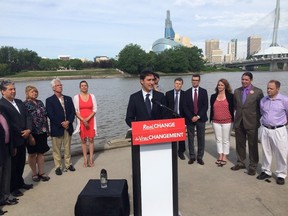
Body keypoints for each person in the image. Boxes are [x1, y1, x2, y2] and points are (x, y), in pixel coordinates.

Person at [125, 70, 168, 215]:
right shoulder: (134, 97)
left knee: (158, 170)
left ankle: (159, 196)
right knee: (143, 172)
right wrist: (140, 128)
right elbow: (129, 118)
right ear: (141, 81)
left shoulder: (160, 97)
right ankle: (145, 197)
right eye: (149, 80)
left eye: (153, 80)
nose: (152, 82)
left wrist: (158, 129)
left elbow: (166, 117)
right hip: (141, 141)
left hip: (159, 142)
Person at [0, 80, 33, 198]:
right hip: (13, 140)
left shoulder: (19, 102)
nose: (13, 91)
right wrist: (20, 132)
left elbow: (28, 116)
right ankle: (13, 188)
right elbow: (8, 124)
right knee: (12, 166)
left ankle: (20, 182)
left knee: (21, 164)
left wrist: (29, 130)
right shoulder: (2, 105)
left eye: (14, 89)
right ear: (3, 91)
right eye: (10, 89)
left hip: (24, 137)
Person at [231, 71, 264, 176]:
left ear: (251, 80)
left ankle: (253, 166)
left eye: (246, 79)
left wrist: (257, 120)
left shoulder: (258, 92)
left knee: (252, 145)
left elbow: (261, 108)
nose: (244, 81)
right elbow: (235, 106)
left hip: (252, 122)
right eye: (242, 79)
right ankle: (241, 162)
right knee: (239, 144)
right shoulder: (237, 91)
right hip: (239, 121)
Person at [256, 80, 288, 185]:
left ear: (277, 89)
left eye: (271, 88)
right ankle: (266, 171)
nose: (268, 90)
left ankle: (281, 174)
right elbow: (262, 113)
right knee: (266, 152)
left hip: (278, 130)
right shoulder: (263, 100)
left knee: (281, 153)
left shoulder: (284, 100)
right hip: (265, 129)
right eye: (268, 88)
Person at [46, 78, 76, 176]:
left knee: (67, 147)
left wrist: (68, 122)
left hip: (68, 127)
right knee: (57, 149)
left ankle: (68, 164)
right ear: (53, 87)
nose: (61, 86)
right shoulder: (49, 100)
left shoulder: (68, 98)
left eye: (61, 85)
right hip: (57, 128)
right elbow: (50, 114)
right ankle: (58, 166)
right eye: (58, 85)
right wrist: (61, 123)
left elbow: (72, 112)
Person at [24, 86, 50, 182]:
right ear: (27, 93)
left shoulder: (40, 102)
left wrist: (47, 131)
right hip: (32, 133)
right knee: (32, 154)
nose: (34, 93)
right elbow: (25, 120)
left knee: (41, 152)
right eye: (32, 92)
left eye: (35, 92)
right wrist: (29, 135)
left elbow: (45, 117)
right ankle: (34, 173)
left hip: (42, 131)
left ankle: (41, 172)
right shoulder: (25, 104)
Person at [183, 74, 208, 165]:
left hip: (201, 119)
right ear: (191, 80)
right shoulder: (187, 92)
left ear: (199, 81)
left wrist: (198, 116)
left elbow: (205, 106)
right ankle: (192, 156)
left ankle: (200, 157)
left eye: (196, 80)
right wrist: (191, 117)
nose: (194, 81)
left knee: (201, 138)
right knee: (190, 138)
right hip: (190, 119)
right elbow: (185, 106)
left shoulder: (204, 91)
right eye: (193, 80)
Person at [210, 79, 234, 167]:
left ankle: (225, 156)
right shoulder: (213, 96)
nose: (220, 86)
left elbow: (233, 108)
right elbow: (212, 108)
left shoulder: (231, 96)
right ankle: (220, 155)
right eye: (219, 85)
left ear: (226, 86)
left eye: (222, 85)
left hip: (227, 121)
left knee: (226, 140)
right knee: (218, 139)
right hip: (216, 121)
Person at [73, 81, 97, 168]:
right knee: (83, 140)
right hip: (81, 121)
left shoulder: (92, 96)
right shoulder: (76, 97)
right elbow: (75, 111)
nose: (84, 87)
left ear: (88, 87)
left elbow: (95, 109)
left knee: (91, 139)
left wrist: (87, 119)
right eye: (82, 86)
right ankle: (85, 159)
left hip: (91, 120)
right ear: (80, 87)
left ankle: (91, 158)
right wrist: (83, 120)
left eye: (85, 85)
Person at [0, 109, 18, 213]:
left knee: (6, 175)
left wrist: (12, 145)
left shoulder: (2, 112)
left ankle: (5, 198)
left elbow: (8, 129)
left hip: (6, 147)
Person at [165, 77, 186, 160]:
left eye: (179, 84)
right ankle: (172, 151)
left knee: (181, 137)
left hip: (180, 117)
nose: (178, 85)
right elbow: (166, 107)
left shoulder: (185, 94)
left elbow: (186, 107)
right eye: (176, 83)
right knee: (171, 136)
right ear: (174, 84)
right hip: (171, 117)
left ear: (182, 85)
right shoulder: (168, 94)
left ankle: (181, 152)